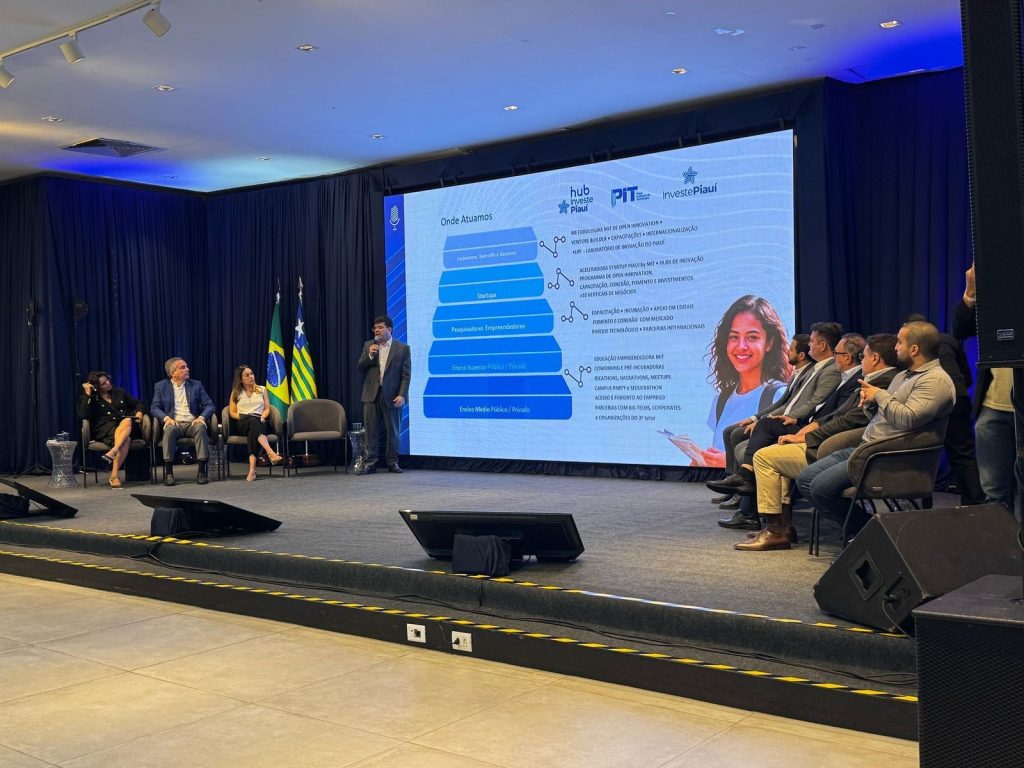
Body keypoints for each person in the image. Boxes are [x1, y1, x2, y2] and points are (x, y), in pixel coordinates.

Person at [735, 334, 899, 550]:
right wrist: (811, 428)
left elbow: (849, 421)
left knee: (765, 457)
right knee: (771, 449)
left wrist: (807, 436)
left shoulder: (881, 382)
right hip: (830, 441)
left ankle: (777, 530)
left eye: (864, 356)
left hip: (837, 447)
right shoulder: (872, 379)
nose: (861, 361)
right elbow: (838, 416)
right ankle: (781, 528)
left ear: (875, 358)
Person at [795, 321, 956, 542]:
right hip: (867, 448)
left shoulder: (935, 381)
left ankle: (870, 536)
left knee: (820, 488)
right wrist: (871, 405)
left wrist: (879, 395)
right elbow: (885, 416)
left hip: (887, 458)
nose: (895, 347)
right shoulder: (904, 375)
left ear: (914, 349)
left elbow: (908, 420)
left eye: (900, 342)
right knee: (805, 479)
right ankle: (869, 531)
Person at [709, 321, 844, 497]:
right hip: (789, 420)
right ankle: (738, 486)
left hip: (802, 424)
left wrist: (787, 418)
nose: (809, 345)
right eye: (733, 337)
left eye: (812, 341)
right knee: (737, 432)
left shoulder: (829, 370)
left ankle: (742, 485)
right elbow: (785, 403)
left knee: (746, 433)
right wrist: (756, 417)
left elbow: (815, 403)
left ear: (822, 345)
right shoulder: (814, 369)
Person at [693, 295, 792, 468]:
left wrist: (730, 463)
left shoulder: (779, 395)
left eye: (752, 337)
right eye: (733, 337)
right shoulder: (720, 400)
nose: (741, 346)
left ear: (769, 342)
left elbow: (784, 458)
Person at [954, 263, 1017, 512]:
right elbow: (960, 329)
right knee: (994, 493)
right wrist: (971, 292)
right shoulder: (998, 299)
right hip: (993, 407)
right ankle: (1002, 538)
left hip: (1018, 410)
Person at [905, 312, 983, 505]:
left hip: (927, 397)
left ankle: (923, 505)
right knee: (963, 454)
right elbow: (966, 375)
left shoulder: (909, 347)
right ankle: (974, 504)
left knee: (922, 452)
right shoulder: (949, 340)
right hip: (958, 396)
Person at [356, 315, 411, 475]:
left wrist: (402, 395)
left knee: (393, 431)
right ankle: (370, 463)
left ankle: (392, 462)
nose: (377, 330)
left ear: (389, 329)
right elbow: (360, 367)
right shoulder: (369, 345)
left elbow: (406, 375)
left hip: (393, 396)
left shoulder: (402, 348)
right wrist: (370, 355)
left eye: (380, 327)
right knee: (371, 431)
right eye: (375, 328)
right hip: (371, 394)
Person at [151, 357, 215, 486]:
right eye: (183, 367)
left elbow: (210, 405)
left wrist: (201, 417)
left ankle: (202, 471)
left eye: (186, 366)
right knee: (169, 430)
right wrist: (166, 418)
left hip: (193, 423)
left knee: (201, 428)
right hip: (175, 423)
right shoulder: (161, 386)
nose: (187, 369)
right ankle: (169, 473)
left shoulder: (196, 385)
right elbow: (154, 407)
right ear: (172, 373)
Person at [77, 371, 145, 489]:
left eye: (107, 380)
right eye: (103, 383)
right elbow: (83, 415)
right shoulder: (92, 398)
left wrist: (139, 412)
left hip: (125, 426)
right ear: (96, 387)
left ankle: (113, 452)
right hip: (105, 429)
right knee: (126, 440)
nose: (108, 383)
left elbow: (138, 403)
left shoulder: (120, 392)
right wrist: (88, 393)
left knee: (127, 420)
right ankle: (114, 475)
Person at [228, 365, 284, 481]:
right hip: (242, 422)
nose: (251, 376)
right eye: (247, 375)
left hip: (259, 421)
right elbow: (232, 412)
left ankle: (252, 470)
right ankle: (270, 452)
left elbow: (267, 408)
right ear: (240, 379)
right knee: (252, 421)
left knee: (253, 431)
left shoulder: (262, 389)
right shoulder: (236, 392)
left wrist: (263, 417)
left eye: (252, 374)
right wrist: (245, 416)